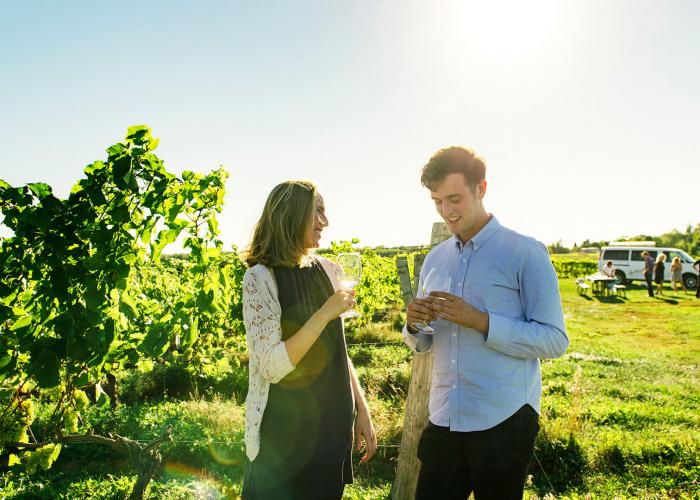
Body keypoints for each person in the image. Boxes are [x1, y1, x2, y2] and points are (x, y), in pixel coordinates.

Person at [403, 147, 569, 499]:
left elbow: (555, 340)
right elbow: (424, 343)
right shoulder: (436, 259)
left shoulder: (524, 252)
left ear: (481, 188)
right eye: (436, 202)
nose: (446, 211)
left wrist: (480, 321)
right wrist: (415, 325)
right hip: (444, 416)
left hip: (504, 419)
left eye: (454, 199)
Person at [241, 180, 376, 499]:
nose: (325, 222)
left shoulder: (329, 270)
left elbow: (338, 351)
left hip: (332, 426)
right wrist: (324, 313)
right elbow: (273, 367)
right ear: (291, 215)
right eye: (317, 212)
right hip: (284, 434)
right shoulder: (260, 278)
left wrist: (361, 407)